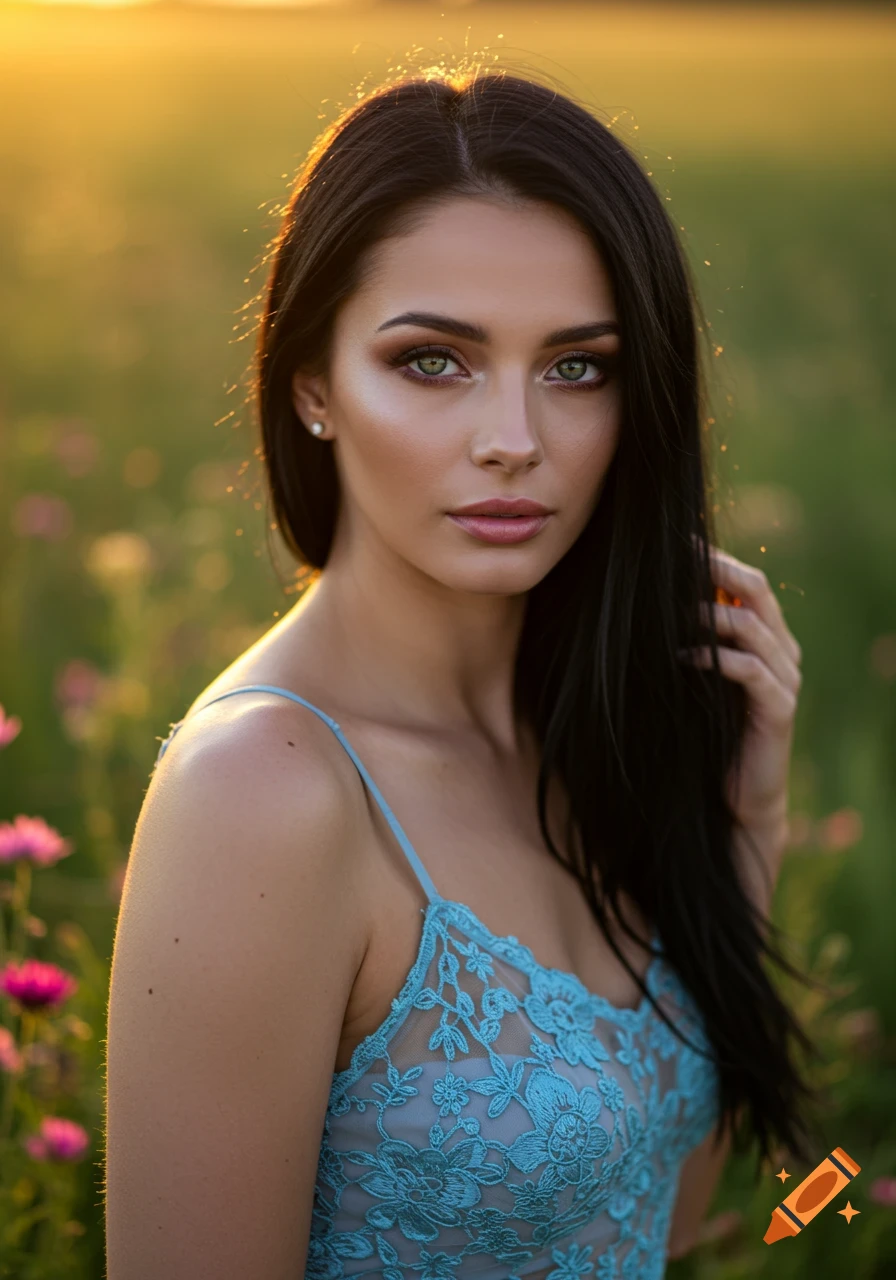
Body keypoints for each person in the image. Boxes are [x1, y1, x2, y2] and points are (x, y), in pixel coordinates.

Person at [104, 69, 818, 1279]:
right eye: (433, 361)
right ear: (311, 384)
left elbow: (664, 1211)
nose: (514, 438)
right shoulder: (262, 795)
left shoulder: (598, 727)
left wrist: (745, 817)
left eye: (575, 367)